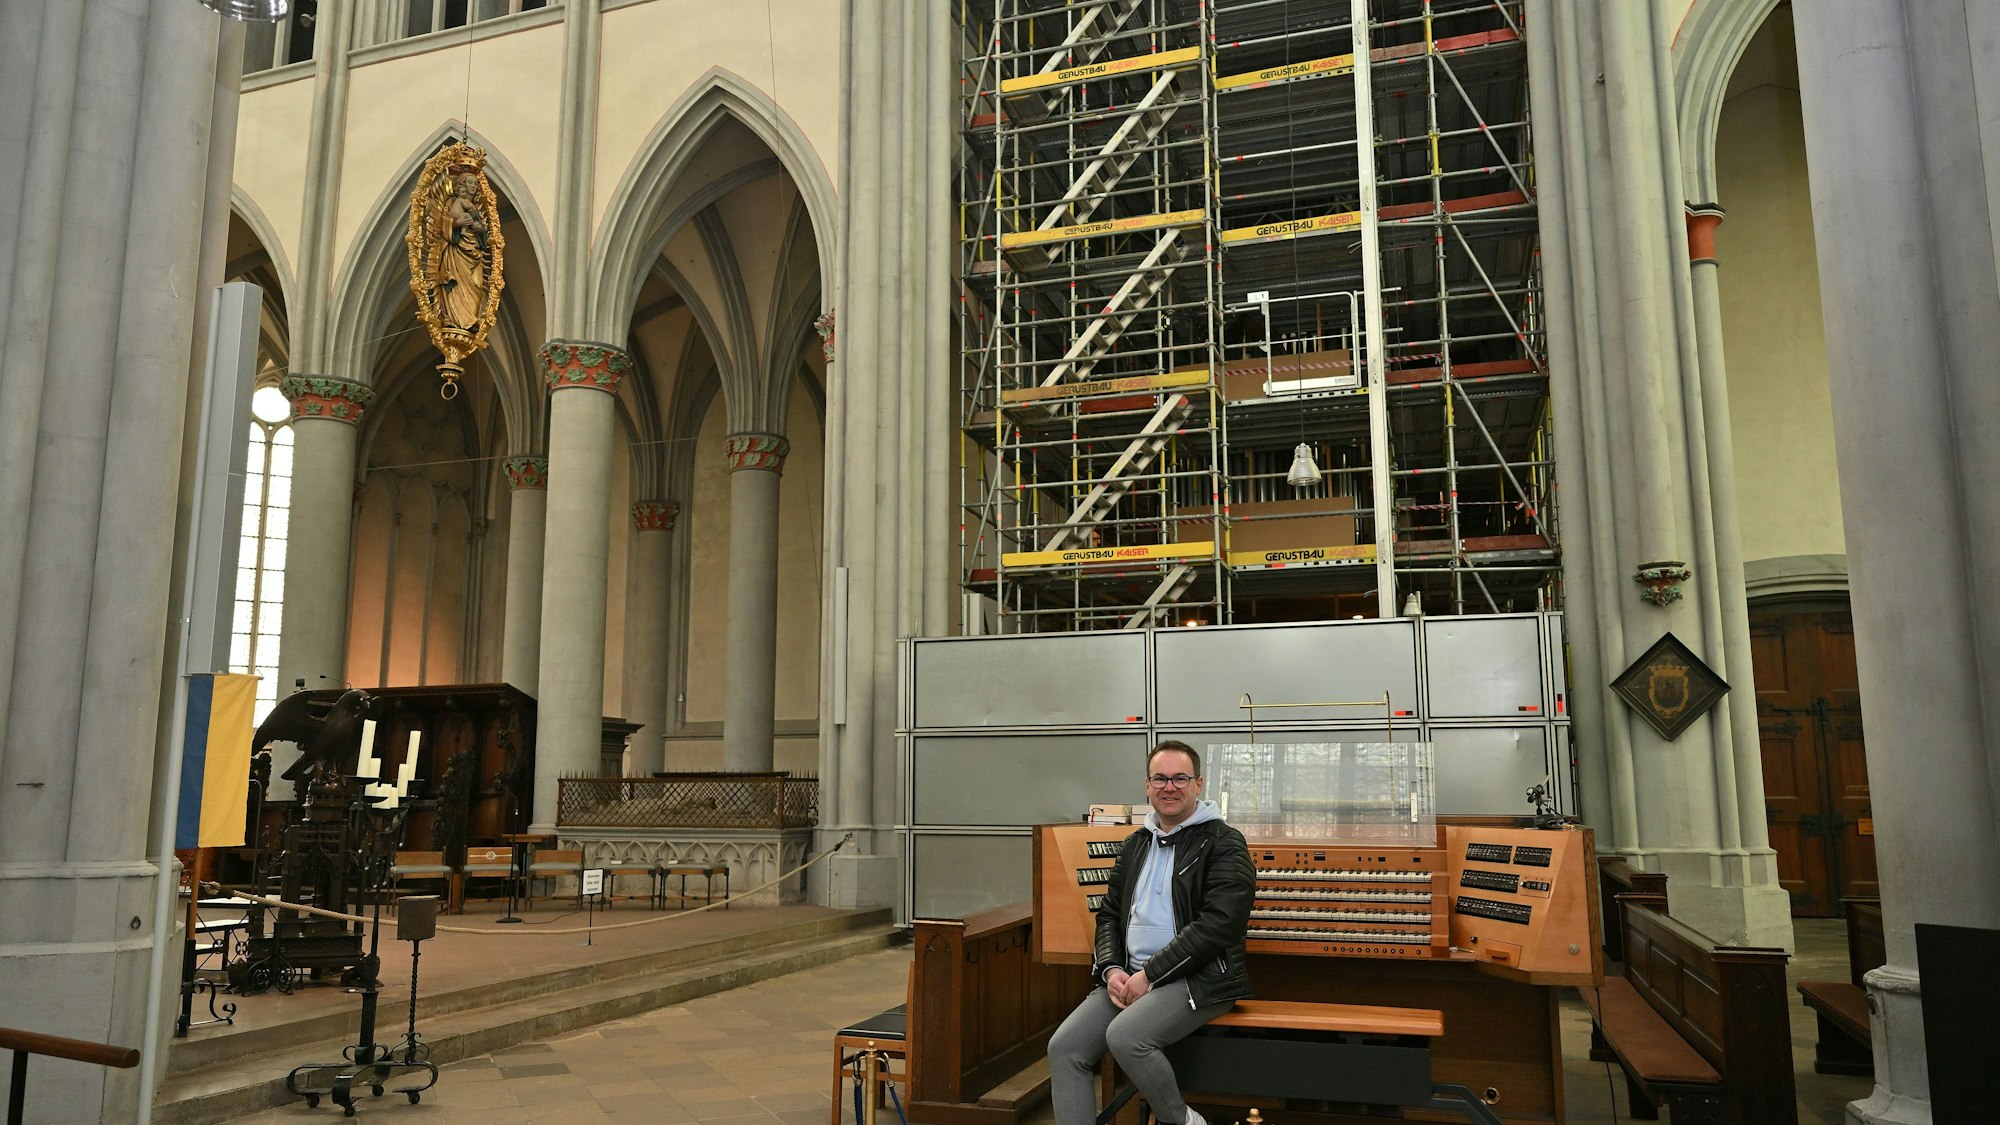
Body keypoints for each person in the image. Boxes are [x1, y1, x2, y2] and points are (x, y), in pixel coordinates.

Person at [1048, 740, 1254, 1125]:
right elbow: (1109, 914)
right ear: (1147, 786)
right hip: (1132, 977)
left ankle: (1183, 1121)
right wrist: (1111, 969)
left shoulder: (1224, 843)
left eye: (1180, 778)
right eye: (1160, 778)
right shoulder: (1135, 845)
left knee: (1126, 1037)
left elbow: (1220, 925)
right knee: (1065, 1048)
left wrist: (1152, 974)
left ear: (1198, 784)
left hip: (1199, 979)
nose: (1169, 787)